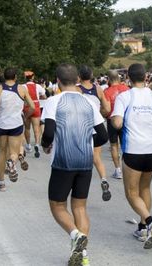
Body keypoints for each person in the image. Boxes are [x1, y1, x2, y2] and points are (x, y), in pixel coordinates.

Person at [41, 63, 108, 265]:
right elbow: (103, 136)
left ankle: (75, 235)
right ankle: (83, 255)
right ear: (78, 79)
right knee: (80, 207)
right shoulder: (89, 102)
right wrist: (86, 143)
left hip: (63, 162)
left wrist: (46, 145)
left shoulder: (54, 101)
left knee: (57, 206)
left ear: (58, 81)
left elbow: (49, 132)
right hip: (86, 162)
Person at [111, 64, 152, 249]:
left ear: (128, 79)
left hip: (133, 149)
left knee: (131, 193)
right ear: (146, 77)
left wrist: (118, 121)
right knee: (145, 189)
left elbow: (116, 123)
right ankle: (143, 228)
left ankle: (150, 221)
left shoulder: (125, 96)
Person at [0, 67, 35, 191]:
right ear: (15, 77)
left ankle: (1, 182)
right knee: (14, 152)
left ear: (4, 76)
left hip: (2, 124)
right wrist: (26, 115)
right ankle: (12, 163)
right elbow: (32, 106)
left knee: (2, 152)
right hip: (16, 124)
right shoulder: (22, 89)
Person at [77, 65, 112, 202]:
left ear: (79, 76)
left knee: (81, 157)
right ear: (91, 75)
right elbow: (107, 108)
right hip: (97, 126)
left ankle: (79, 186)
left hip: (82, 127)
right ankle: (103, 179)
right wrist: (100, 114)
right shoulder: (98, 89)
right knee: (96, 157)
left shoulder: (77, 89)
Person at [104, 69, 129, 180]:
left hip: (112, 120)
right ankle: (127, 169)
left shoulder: (107, 91)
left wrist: (103, 114)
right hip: (125, 120)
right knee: (125, 145)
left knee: (114, 145)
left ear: (108, 79)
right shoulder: (126, 89)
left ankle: (118, 170)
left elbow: (107, 109)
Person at [23, 71, 46, 158]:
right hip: (36, 106)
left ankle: (28, 145)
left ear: (25, 78)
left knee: (27, 128)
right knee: (36, 127)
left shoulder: (23, 86)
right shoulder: (38, 86)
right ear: (32, 77)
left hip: (27, 106)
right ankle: (36, 144)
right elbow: (44, 96)